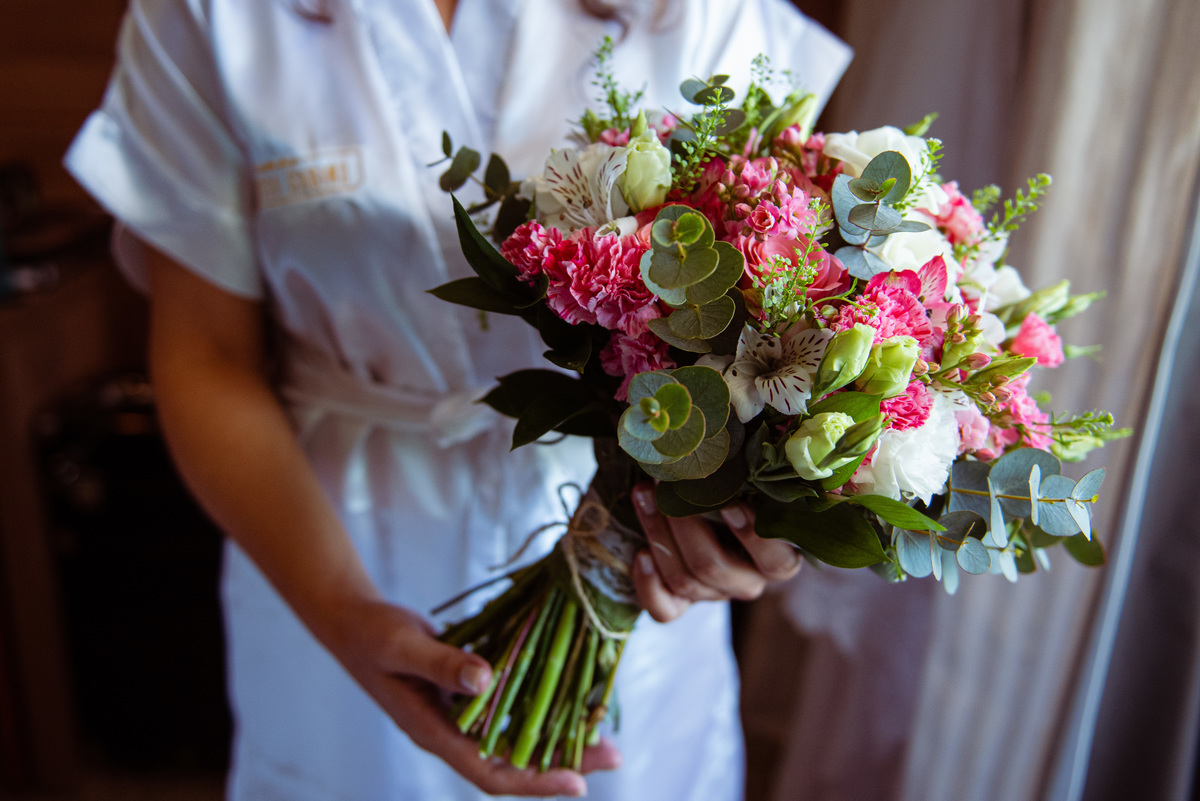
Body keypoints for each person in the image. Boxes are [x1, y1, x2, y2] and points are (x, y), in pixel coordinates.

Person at [66, 1, 850, 798]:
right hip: (323, 538)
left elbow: (771, 281)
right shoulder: (209, 16)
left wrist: (735, 520)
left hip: (621, 539)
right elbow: (209, 353)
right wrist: (341, 610)